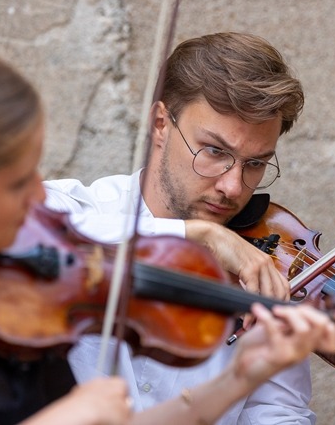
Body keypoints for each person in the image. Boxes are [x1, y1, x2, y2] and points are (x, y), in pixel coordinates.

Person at [0, 45, 335, 425]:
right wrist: (196, 235)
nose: (36, 198)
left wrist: (243, 377)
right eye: (19, 182)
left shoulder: (0, 293)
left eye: (253, 164)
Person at [43, 32, 318, 424]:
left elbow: (278, 411)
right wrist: (197, 236)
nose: (233, 186)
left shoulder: (261, 274)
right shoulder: (77, 209)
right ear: (160, 124)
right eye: (215, 152)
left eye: (255, 163)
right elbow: (29, 238)